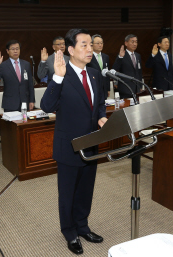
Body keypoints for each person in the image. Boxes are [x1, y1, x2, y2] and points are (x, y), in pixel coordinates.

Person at [40, 28, 107, 255]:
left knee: (86, 190)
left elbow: (99, 104)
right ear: (70, 50)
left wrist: (102, 117)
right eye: (85, 45)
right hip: (68, 146)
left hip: (91, 143)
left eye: (92, 45)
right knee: (67, 193)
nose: (90, 49)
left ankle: (82, 226)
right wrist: (57, 77)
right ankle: (69, 232)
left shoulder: (95, 74)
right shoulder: (61, 74)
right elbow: (46, 106)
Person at [0, 40, 34, 112]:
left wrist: (31, 100)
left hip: (25, 102)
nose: (15, 51)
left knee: (26, 122)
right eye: (13, 49)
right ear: (7, 51)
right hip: (10, 104)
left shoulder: (26, 64)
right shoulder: (3, 65)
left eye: (17, 49)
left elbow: (30, 84)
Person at [87, 34, 111, 98]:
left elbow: (108, 74)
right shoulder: (88, 57)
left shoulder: (106, 57)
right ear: (92, 44)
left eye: (101, 43)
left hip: (104, 89)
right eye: (97, 43)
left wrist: (108, 89)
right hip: (93, 88)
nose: (100, 45)